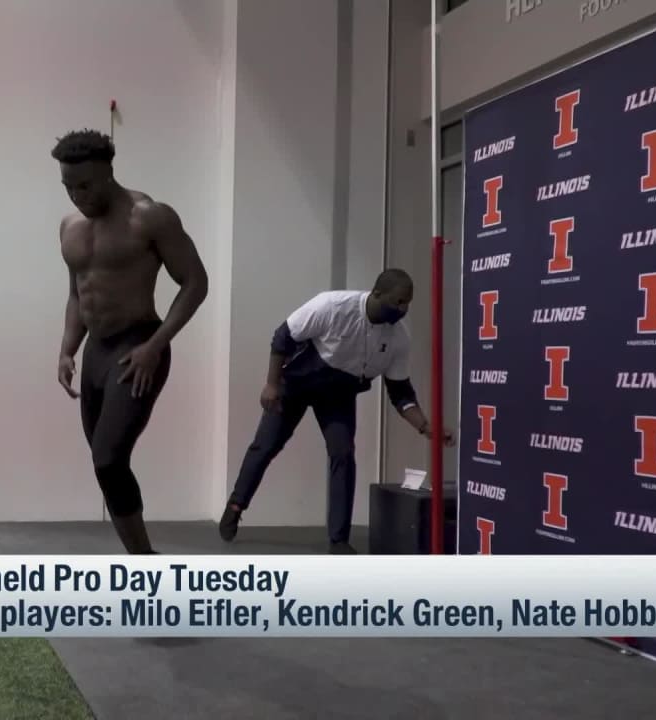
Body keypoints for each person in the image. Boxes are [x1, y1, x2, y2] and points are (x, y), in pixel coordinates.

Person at [220, 269, 457, 553]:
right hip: (298, 382)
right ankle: (235, 505)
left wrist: (425, 427)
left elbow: (400, 393)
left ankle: (339, 540)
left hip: (339, 393)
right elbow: (282, 337)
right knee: (266, 446)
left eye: (407, 302)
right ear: (377, 294)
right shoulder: (332, 306)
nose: (403, 309)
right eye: (398, 302)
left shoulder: (398, 338)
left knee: (343, 454)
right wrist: (271, 384)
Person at [52, 129, 209, 555]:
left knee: (107, 459)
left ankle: (144, 561)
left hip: (138, 345)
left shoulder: (149, 216)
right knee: (105, 465)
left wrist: (156, 344)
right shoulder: (69, 228)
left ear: (108, 173)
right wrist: (67, 349)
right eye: (68, 186)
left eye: (84, 185)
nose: (76, 196)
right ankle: (140, 560)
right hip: (95, 354)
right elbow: (77, 294)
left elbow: (195, 283)